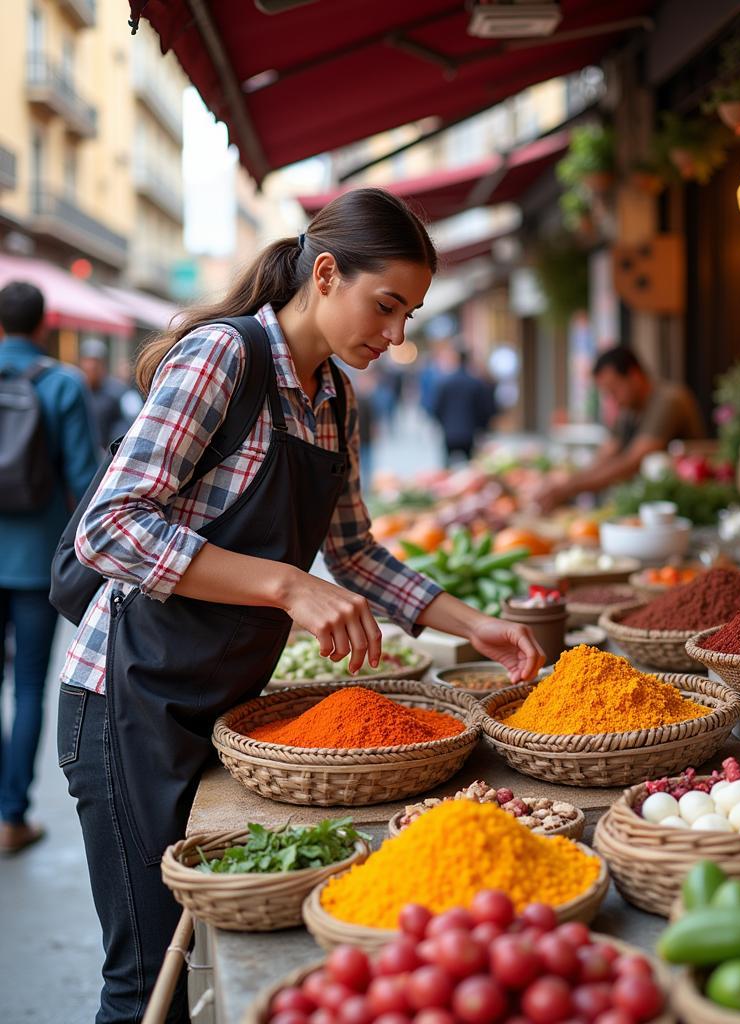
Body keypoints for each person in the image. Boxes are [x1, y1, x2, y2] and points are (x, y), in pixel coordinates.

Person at [57, 189, 545, 1023]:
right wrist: (285, 583)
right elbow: (110, 527)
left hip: (221, 703)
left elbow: (354, 554)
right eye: (386, 306)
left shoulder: (334, 400)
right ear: (326, 274)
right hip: (126, 699)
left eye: (411, 314)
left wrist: (474, 624)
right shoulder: (224, 358)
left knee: (195, 957)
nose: (396, 338)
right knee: (145, 981)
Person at [0, 282, 97, 853]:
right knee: (30, 685)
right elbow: (87, 485)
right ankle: (12, 816)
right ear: (44, 325)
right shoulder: (60, 384)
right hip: (37, 562)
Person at [534, 345, 704, 512]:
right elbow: (606, 455)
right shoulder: (628, 410)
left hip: (682, 506)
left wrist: (569, 488)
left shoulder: (668, 400)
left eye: (614, 390)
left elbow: (633, 462)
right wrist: (564, 483)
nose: (613, 400)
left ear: (634, 376)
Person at [431, 348, 497, 465]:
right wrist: (482, 427)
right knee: (470, 466)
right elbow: (484, 408)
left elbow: (436, 407)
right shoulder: (475, 383)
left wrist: (443, 424)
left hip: (449, 432)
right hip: (469, 432)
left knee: (447, 467)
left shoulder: (445, 382)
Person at [79, 336, 143, 450]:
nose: (91, 367)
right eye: (87, 362)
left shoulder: (119, 391)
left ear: (103, 365)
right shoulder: (76, 391)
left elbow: (132, 421)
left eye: (95, 363)